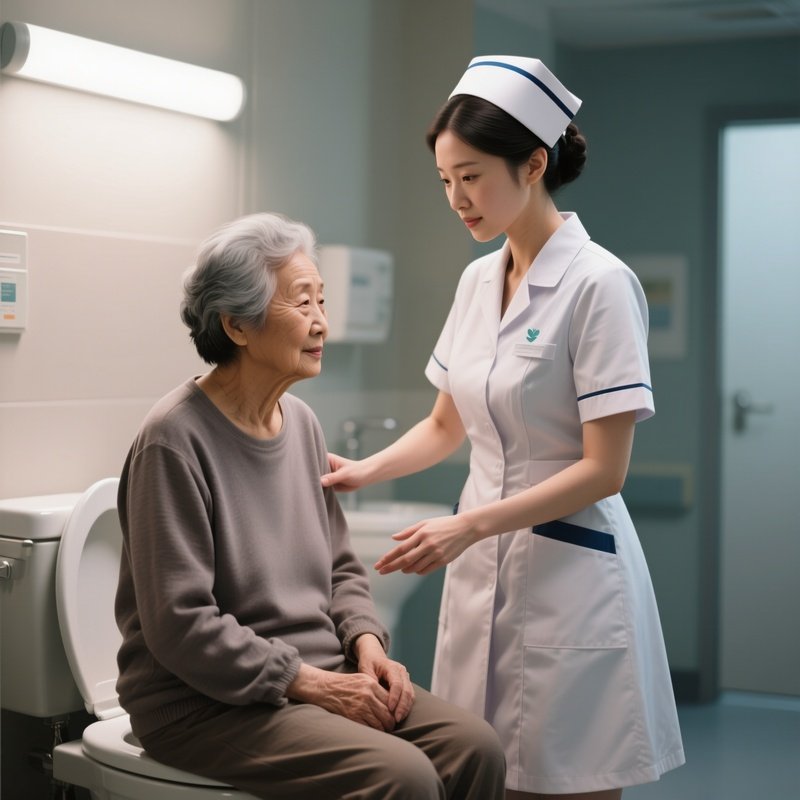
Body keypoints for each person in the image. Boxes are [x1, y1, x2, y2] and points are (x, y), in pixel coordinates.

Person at [321, 56, 685, 799]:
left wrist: (470, 526)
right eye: (446, 180)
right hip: (483, 574)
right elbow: (444, 424)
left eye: (473, 176)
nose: (457, 198)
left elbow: (604, 470)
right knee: (481, 776)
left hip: (571, 576)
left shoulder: (599, 285)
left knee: (570, 781)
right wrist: (360, 473)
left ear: (535, 163)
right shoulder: (476, 281)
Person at [114, 212, 506, 800]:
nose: (323, 321)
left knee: (477, 749)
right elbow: (182, 626)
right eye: (303, 304)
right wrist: (313, 684)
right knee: (405, 778)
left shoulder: (301, 424)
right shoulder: (173, 441)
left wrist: (367, 645)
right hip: (202, 704)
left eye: (322, 300)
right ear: (238, 327)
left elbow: (341, 567)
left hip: (318, 672)